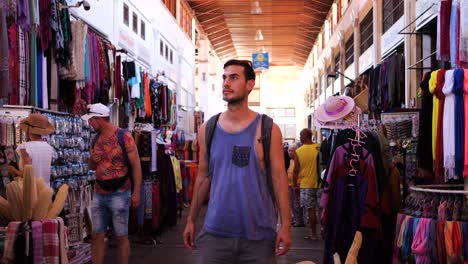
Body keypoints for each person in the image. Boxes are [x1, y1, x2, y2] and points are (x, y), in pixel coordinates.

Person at [183, 59, 291, 263]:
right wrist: (191, 219)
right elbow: (203, 177)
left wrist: (285, 226)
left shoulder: (268, 129)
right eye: (224, 77)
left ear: (250, 84)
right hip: (215, 235)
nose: (226, 83)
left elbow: (279, 179)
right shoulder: (208, 128)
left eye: (234, 78)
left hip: (259, 238)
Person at [81, 103, 142, 264]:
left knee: (121, 236)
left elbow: (136, 165)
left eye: (91, 120)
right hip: (99, 192)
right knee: (97, 235)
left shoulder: (124, 136)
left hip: (120, 192)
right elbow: (92, 167)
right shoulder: (96, 139)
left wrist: (136, 192)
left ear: (98, 119)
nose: (89, 123)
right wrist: (92, 161)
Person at [9, 113, 55, 185]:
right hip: (45, 189)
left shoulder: (24, 147)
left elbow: (26, 175)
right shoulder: (49, 147)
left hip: (30, 189)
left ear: (28, 130)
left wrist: (13, 170)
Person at [293, 128, 320, 241]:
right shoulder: (318, 147)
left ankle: (312, 234)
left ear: (305, 136)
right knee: (322, 209)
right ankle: (323, 230)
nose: (300, 137)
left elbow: (296, 170)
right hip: (320, 183)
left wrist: (295, 185)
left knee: (310, 210)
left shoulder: (299, 151)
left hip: (305, 184)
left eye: (300, 135)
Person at [287, 143, 304, 227]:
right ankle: (295, 219)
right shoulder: (291, 160)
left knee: (297, 203)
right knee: (292, 204)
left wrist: (295, 185)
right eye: (289, 151)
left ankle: (299, 221)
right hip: (290, 184)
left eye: (291, 151)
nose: (290, 153)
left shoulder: (299, 160)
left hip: (296, 184)